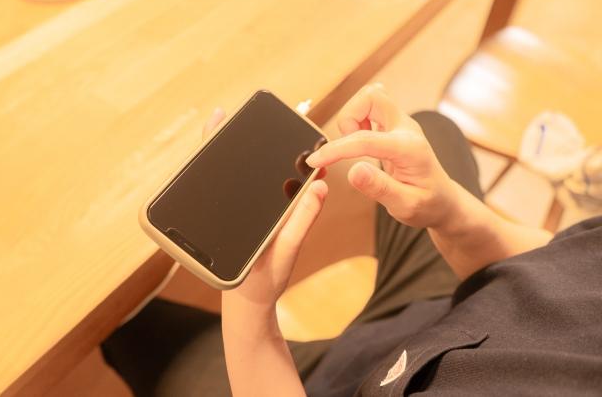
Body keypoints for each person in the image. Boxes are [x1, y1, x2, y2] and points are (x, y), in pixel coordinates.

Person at [101, 84, 602, 396]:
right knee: (433, 129)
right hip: (447, 315)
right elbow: (555, 269)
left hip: (341, 384)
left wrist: (251, 319)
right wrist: (449, 212)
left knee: (134, 327)